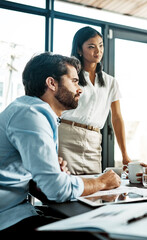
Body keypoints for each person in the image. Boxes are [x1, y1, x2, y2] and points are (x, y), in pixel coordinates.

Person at [0, 52, 121, 237]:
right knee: (101, 233)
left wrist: (50, 172)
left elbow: (40, 183)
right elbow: (56, 189)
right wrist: (101, 182)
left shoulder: (30, 111)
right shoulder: (32, 114)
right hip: (7, 218)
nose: (80, 89)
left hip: (16, 210)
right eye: (74, 81)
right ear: (51, 83)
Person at [58, 26, 131, 175]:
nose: (98, 51)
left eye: (100, 45)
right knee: (67, 188)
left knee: (94, 190)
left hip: (93, 141)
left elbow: (116, 118)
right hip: (66, 137)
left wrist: (124, 155)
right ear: (79, 50)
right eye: (91, 47)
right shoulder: (69, 76)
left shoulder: (110, 82)